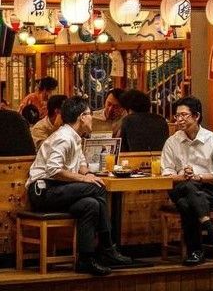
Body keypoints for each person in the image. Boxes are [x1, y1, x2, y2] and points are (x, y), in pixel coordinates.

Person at [25, 95, 132, 276]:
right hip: (43, 191)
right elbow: (53, 170)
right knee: (97, 188)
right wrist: (85, 180)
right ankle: (108, 247)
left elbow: (81, 165)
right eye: (90, 114)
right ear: (82, 116)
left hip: (59, 190)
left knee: (91, 204)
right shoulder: (64, 138)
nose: (92, 117)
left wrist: (88, 174)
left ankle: (86, 259)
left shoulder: (75, 137)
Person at [161, 95, 213, 266]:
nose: (179, 120)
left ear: (196, 116)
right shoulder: (172, 142)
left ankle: (196, 252)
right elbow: (166, 173)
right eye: (177, 116)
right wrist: (183, 177)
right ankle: (211, 232)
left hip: (208, 189)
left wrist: (196, 177)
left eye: (184, 115)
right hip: (179, 187)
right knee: (188, 186)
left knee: (186, 203)